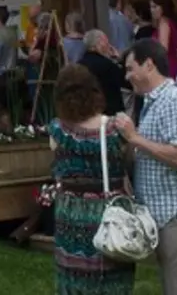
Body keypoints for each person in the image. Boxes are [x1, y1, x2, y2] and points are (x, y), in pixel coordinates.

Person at [116, 39, 177, 295]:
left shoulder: (172, 101)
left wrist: (134, 138)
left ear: (149, 65)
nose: (127, 76)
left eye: (130, 68)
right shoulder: (152, 103)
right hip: (165, 217)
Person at [49, 65, 135, 294]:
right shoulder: (115, 128)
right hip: (111, 210)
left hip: (71, 212)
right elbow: (128, 163)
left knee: (74, 275)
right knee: (114, 271)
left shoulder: (58, 131)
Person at [78, 30, 128, 115]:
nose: (109, 46)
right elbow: (126, 81)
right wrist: (119, 60)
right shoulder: (107, 65)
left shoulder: (78, 65)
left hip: (86, 112)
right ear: (99, 44)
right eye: (107, 42)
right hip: (109, 113)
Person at [150, 0, 177, 78]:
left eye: (155, 7)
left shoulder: (164, 24)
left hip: (167, 66)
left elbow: (163, 49)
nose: (152, 10)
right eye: (151, 7)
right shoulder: (167, 22)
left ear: (163, 7)